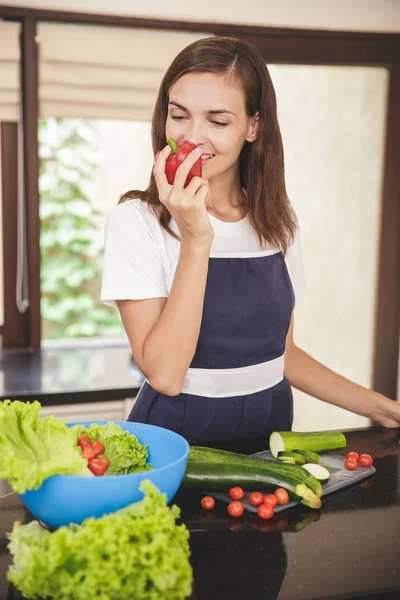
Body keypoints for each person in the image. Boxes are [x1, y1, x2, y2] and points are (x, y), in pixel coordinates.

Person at [101, 36, 400, 444]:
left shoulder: (277, 222)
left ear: (253, 126)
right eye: (179, 116)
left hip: (268, 431)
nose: (191, 138)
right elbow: (165, 375)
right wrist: (195, 238)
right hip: (174, 441)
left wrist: (383, 409)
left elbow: (284, 356)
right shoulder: (137, 222)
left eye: (218, 121)